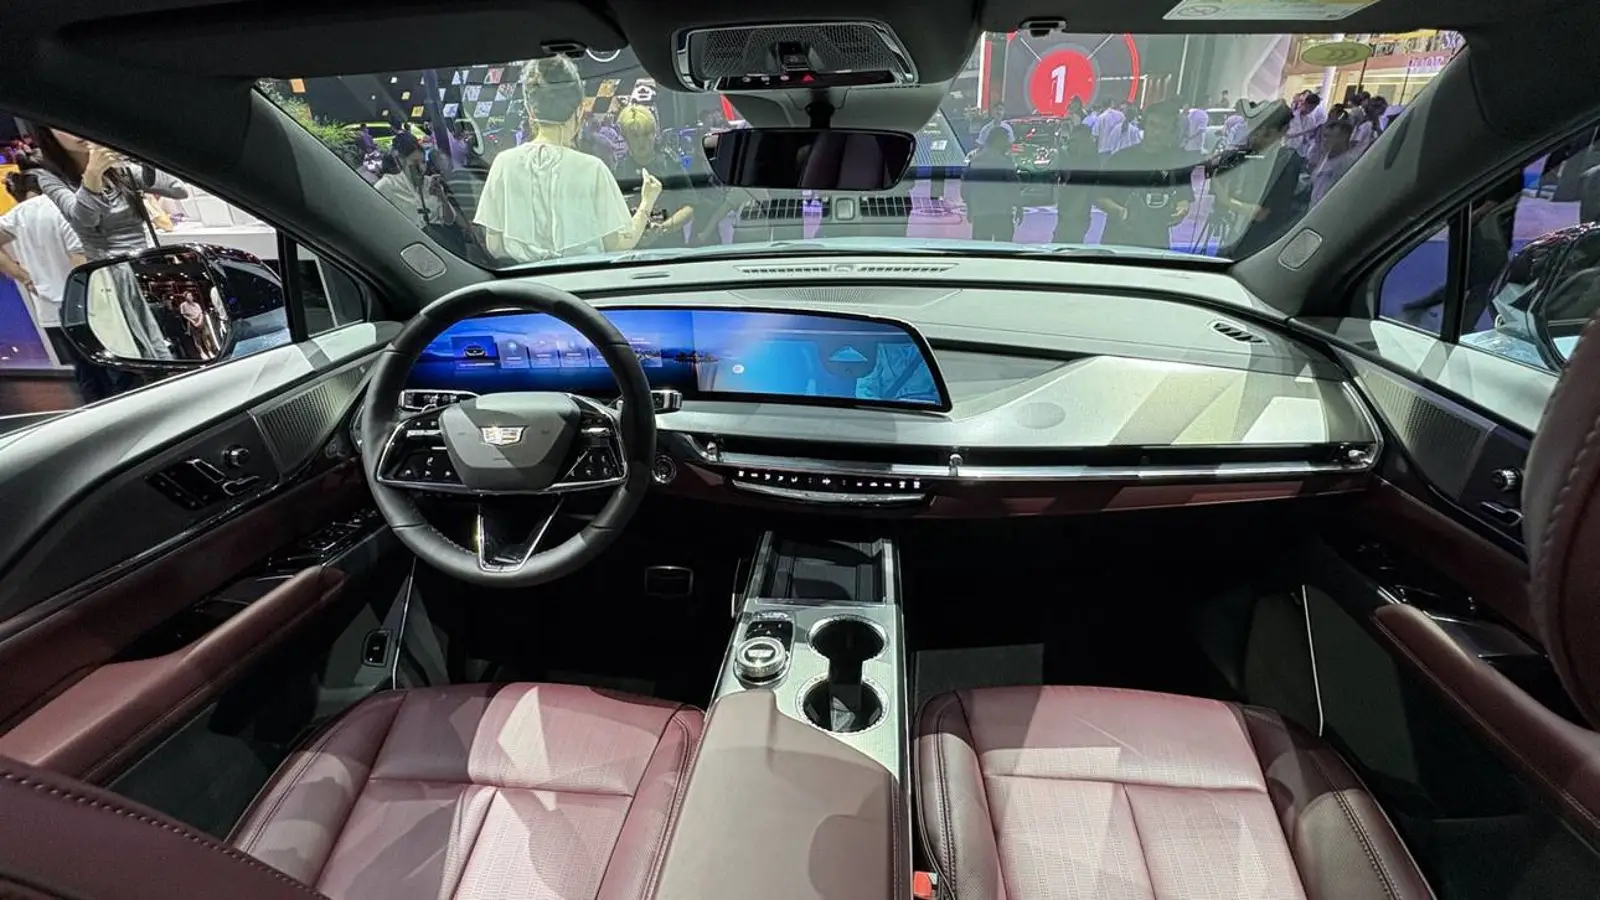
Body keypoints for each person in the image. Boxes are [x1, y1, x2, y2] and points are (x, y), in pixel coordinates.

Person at [475, 55, 659, 262]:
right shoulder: (593, 169)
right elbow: (618, 244)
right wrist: (647, 201)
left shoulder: (503, 164)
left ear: (530, 108)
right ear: (579, 109)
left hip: (526, 281)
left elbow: (495, 246)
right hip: (583, 279)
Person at [0, 169, 104, 396]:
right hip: (87, 308)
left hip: (50, 310)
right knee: (112, 372)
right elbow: (79, 260)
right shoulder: (64, 208)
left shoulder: (17, 215)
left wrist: (22, 276)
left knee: (85, 374)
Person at [1210, 100, 1306, 259]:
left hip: (1261, 241)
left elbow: (1262, 213)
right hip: (1235, 232)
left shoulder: (1286, 161)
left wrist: (1227, 200)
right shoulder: (1245, 154)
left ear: (1282, 131)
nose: (1257, 136)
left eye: (1266, 132)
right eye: (1254, 129)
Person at [1096, 101, 1196, 251]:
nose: (1156, 132)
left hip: (1157, 243)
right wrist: (1120, 212)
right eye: (1152, 125)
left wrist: (1182, 210)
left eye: (1163, 128)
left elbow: (1184, 197)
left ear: (1171, 132)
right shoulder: (1120, 158)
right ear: (1144, 125)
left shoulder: (1176, 162)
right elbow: (1099, 196)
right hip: (1118, 240)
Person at [613, 104, 699, 249]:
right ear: (625, 138)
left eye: (646, 134)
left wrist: (662, 229)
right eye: (635, 136)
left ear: (655, 134)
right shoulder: (619, 170)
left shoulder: (670, 164)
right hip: (632, 252)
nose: (641, 142)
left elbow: (689, 208)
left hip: (670, 249)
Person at [962, 130, 1021, 242]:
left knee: (982, 249)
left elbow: (965, 189)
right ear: (997, 140)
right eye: (1005, 140)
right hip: (1002, 214)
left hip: (980, 214)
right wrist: (1019, 207)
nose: (1008, 143)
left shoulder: (975, 162)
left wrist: (970, 209)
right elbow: (1014, 187)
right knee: (1004, 247)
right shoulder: (1005, 162)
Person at [1051, 120, 1100, 244]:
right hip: (1068, 209)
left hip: (1076, 212)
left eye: (1075, 141)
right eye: (1072, 141)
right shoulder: (1068, 157)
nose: (1071, 144)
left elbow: (1084, 190)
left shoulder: (1089, 162)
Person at [1310, 119, 1359, 205]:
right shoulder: (1325, 158)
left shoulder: (1349, 164)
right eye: (1324, 137)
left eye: (1328, 136)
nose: (1324, 141)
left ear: (1343, 137)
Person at [1286, 91, 1326, 159]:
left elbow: (1309, 138)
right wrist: (1304, 133)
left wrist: (1308, 138)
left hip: (1300, 153)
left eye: (1313, 108)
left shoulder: (1311, 120)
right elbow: (1287, 135)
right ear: (1305, 103)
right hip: (1287, 148)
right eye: (1310, 107)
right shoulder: (1292, 115)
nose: (1311, 110)